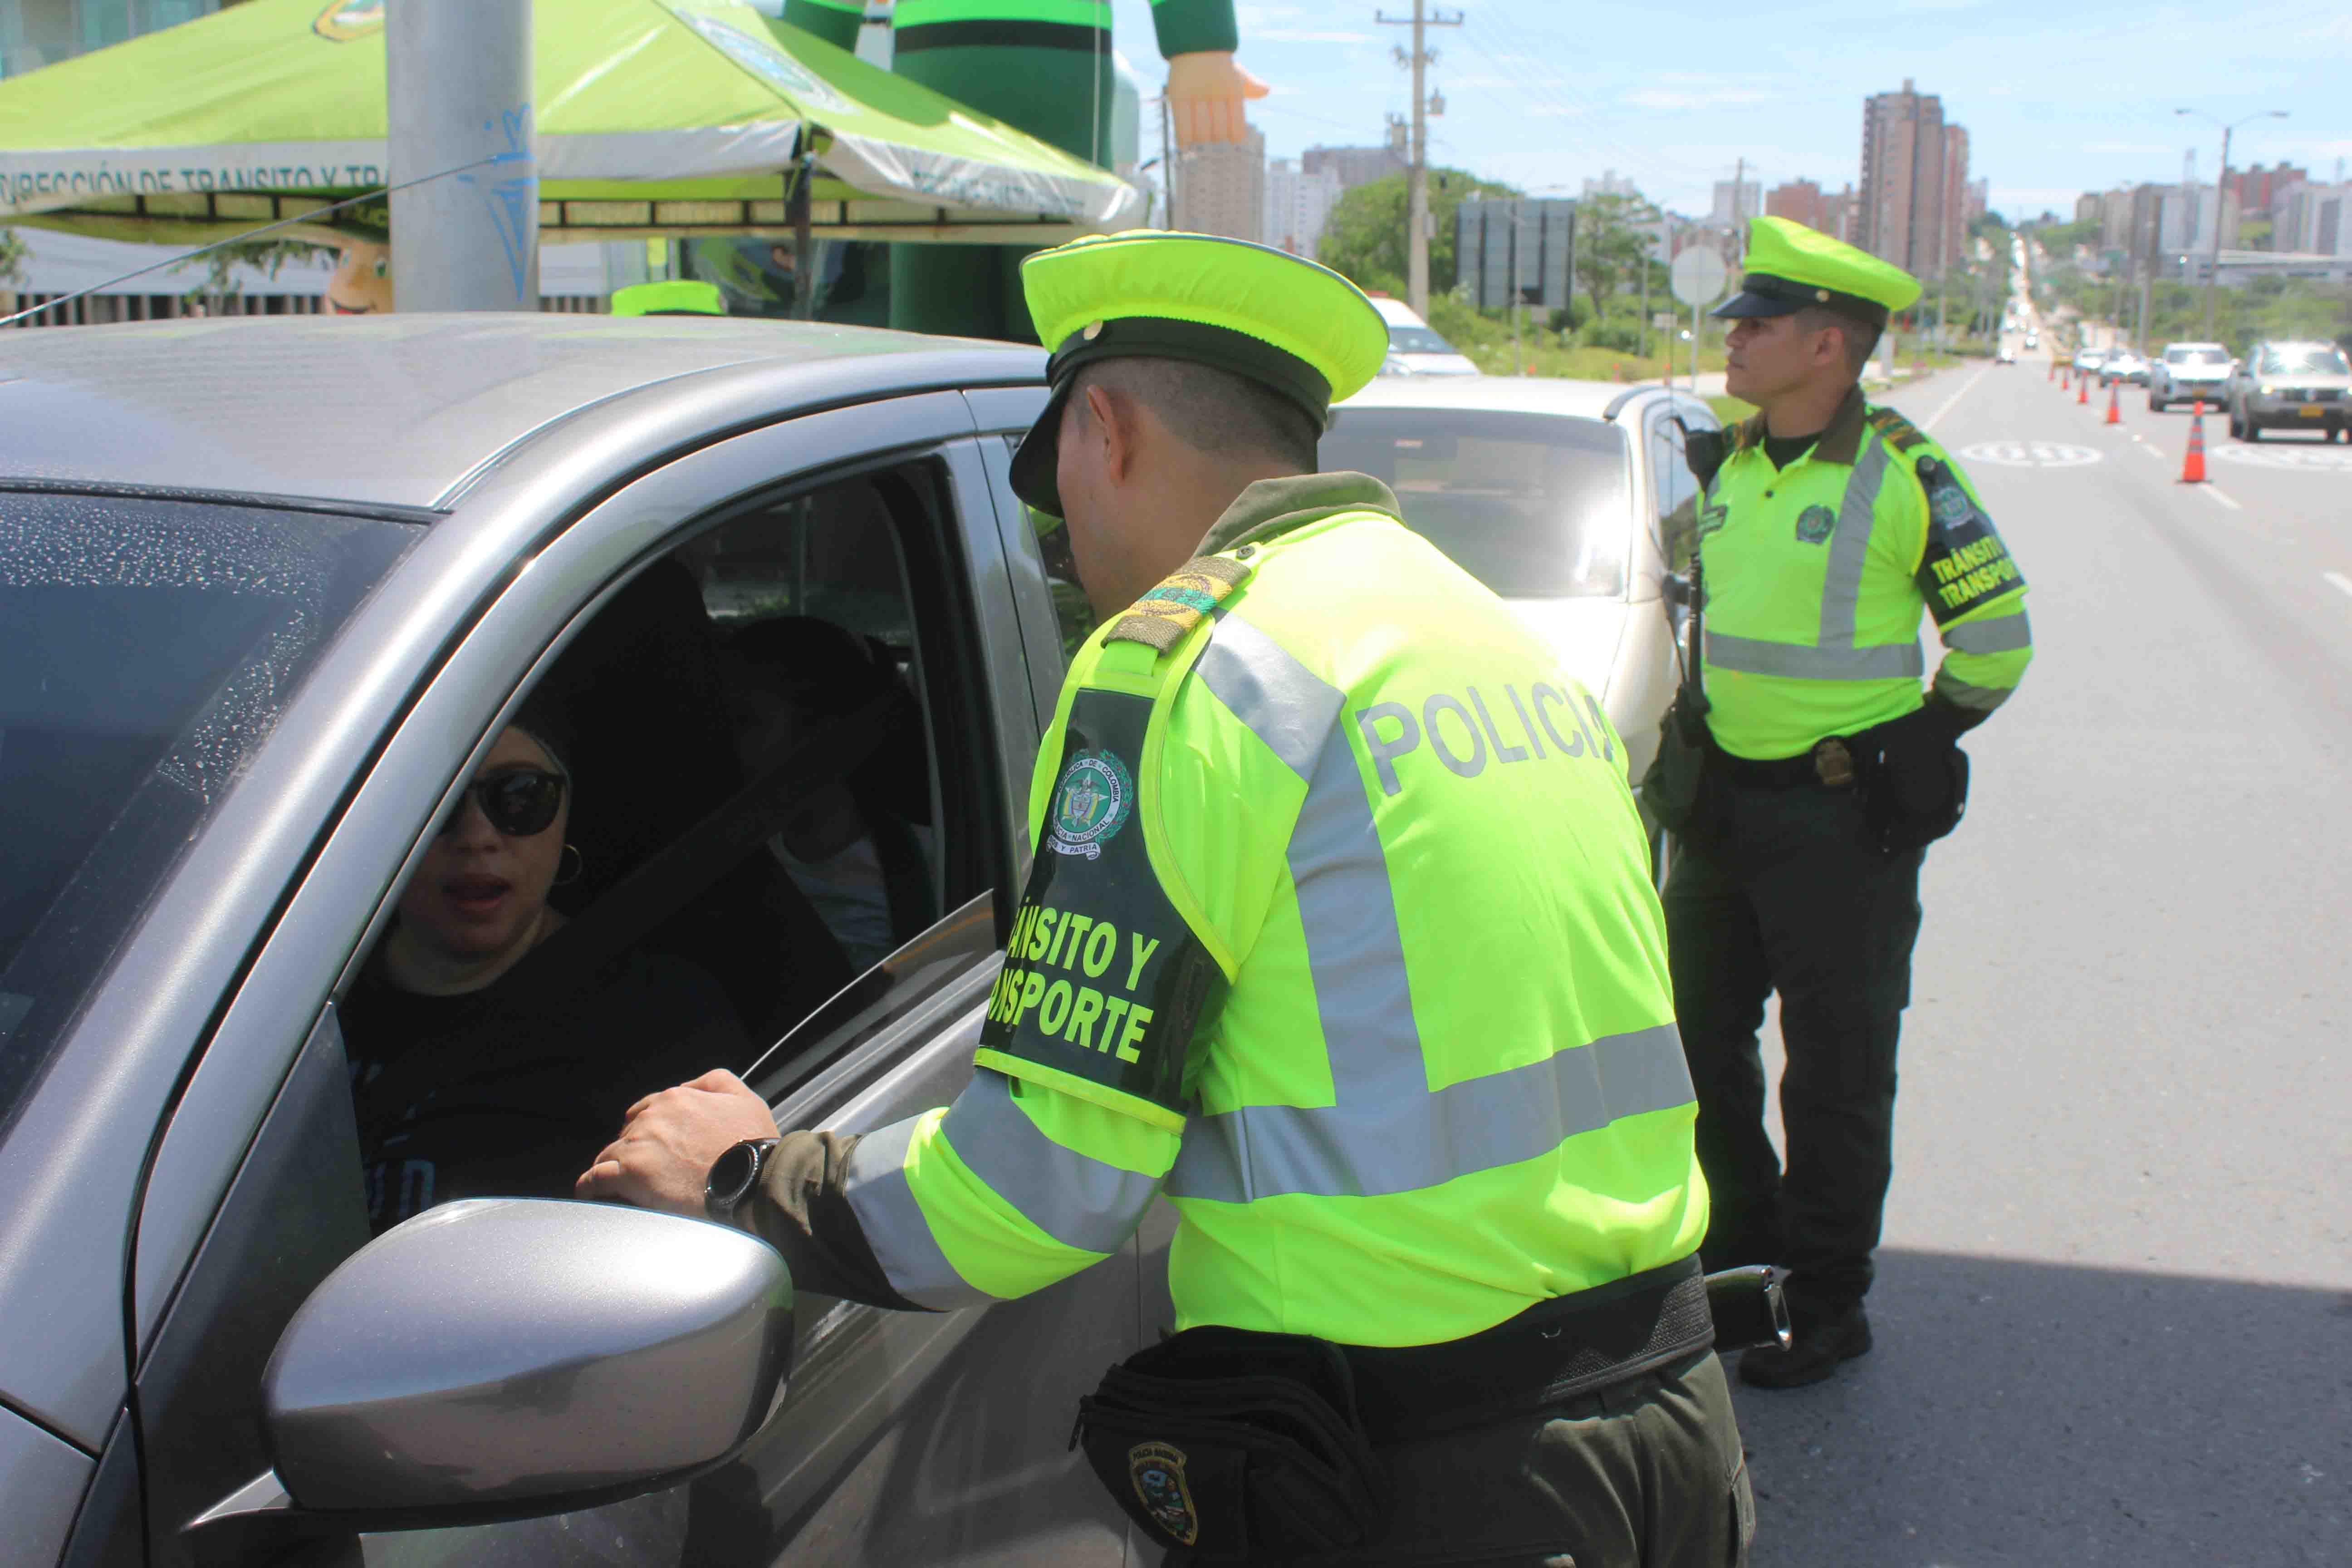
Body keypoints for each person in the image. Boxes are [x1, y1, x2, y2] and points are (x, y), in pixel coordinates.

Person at [581, 230, 1747, 1566]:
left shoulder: (1192, 669)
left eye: (1055, 488)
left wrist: (750, 1178)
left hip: (1433, 1475)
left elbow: (1038, 1189)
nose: (1063, 538)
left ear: (1106, 429)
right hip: (1666, 1419)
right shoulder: (1485, 635)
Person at [1659, 216, 2034, 1388]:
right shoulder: (1729, 460)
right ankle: (1742, 1259)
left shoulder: (1904, 471)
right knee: (1694, 1044)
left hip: (1837, 824)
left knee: (1835, 1072)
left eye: (1758, 326)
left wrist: (1928, 732)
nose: (1732, 340)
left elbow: (1999, 638)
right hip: (1721, 810)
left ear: (1827, 345)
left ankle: (1827, 1303)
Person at [346, 703, 745, 1233]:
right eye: (434, 801)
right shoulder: (286, 1002)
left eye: (520, 796)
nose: (477, 836)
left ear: (565, 818)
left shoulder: (661, 1021)